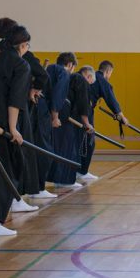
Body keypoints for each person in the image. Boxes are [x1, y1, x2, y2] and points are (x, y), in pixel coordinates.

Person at [0, 18, 35, 235]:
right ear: (22, 45)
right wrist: (13, 129)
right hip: (1, 125)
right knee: (6, 170)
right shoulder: (21, 65)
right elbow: (15, 100)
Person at [46, 52, 94, 189]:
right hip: (59, 117)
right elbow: (59, 95)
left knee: (56, 148)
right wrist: (55, 117)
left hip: (46, 114)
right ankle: (65, 181)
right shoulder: (66, 74)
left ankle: (57, 179)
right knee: (67, 148)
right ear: (70, 65)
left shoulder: (50, 69)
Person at [78, 59, 127, 182]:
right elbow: (111, 99)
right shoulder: (101, 80)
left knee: (80, 141)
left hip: (78, 110)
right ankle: (81, 171)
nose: (110, 76)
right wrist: (121, 116)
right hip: (86, 111)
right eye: (111, 73)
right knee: (89, 142)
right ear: (108, 71)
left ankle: (78, 171)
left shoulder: (92, 76)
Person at [20, 48, 56, 201]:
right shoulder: (20, 58)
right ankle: (35, 188)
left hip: (28, 111)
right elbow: (43, 75)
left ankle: (36, 187)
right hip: (24, 112)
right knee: (39, 150)